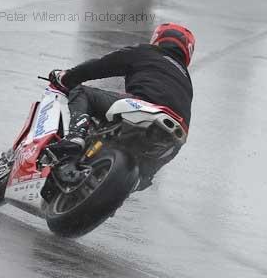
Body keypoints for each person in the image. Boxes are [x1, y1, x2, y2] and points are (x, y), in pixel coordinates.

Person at [48, 23, 195, 189]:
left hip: (142, 106)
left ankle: (76, 137)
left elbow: (101, 66)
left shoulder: (147, 52)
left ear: (158, 38)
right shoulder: (186, 79)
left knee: (81, 91)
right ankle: (141, 178)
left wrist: (66, 77)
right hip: (175, 132)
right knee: (144, 176)